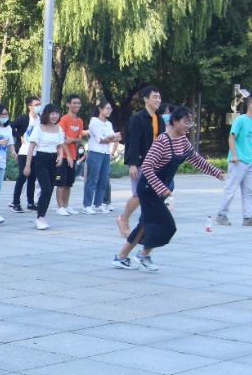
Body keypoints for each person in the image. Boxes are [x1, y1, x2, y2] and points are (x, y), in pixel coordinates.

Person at [113, 106, 224, 271]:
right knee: (167, 224)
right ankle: (143, 255)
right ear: (175, 121)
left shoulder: (182, 141)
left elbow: (196, 159)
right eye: (186, 122)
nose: (188, 126)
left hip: (159, 189)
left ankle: (122, 257)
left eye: (191, 123)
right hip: (148, 188)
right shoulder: (163, 141)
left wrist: (216, 172)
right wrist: (160, 188)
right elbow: (147, 166)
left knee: (145, 224)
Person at [118, 85, 163, 237]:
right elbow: (133, 142)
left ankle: (146, 225)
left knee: (151, 196)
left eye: (159, 97)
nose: (158, 100)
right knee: (138, 195)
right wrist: (132, 164)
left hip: (155, 164)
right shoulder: (137, 118)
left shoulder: (159, 119)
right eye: (155, 97)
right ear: (145, 99)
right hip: (141, 162)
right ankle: (123, 219)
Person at [216, 95, 252, 227]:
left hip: (250, 161)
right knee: (231, 188)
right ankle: (221, 215)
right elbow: (231, 138)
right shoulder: (240, 120)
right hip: (238, 161)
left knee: (250, 191)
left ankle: (248, 217)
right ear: (249, 105)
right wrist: (234, 155)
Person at [23, 104, 63, 230]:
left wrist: (61, 156)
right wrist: (27, 165)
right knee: (45, 189)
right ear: (46, 114)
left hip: (53, 160)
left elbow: (60, 146)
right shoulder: (39, 128)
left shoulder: (59, 129)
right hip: (41, 159)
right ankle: (39, 217)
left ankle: (43, 216)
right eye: (52, 113)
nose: (55, 116)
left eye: (56, 113)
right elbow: (31, 147)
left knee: (50, 190)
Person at [82, 100, 121, 214]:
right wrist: (111, 137)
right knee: (92, 179)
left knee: (104, 179)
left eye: (110, 109)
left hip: (105, 153)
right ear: (100, 109)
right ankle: (87, 204)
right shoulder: (94, 121)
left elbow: (114, 138)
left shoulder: (108, 123)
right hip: (96, 152)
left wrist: (111, 138)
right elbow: (101, 139)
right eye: (107, 108)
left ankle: (99, 203)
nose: (109, 111)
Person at [55, 94, 87, 216]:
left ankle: (66, 205)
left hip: (73, 156)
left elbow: (79, 139)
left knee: (69, 183)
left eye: (78, 103)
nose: (77, 105)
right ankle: (59, 207)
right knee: (61, 182)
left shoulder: (80, 121)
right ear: (68, 104)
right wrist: (67, 155)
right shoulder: (63, 120)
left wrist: (72, 139)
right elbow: (62, 139)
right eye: (74, 103)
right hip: (63, 156)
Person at [9, 96, 41, 213]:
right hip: (24, 151)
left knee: (32, 177)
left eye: (39, 104)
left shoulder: (41, 119)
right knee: (22, 176)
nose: (38, 107)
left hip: (36, 152)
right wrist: (19, 136)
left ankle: (30, 203)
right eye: (36, 105)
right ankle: (16, 202)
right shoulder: (24, 118)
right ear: (30, 106)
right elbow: (10, 126)